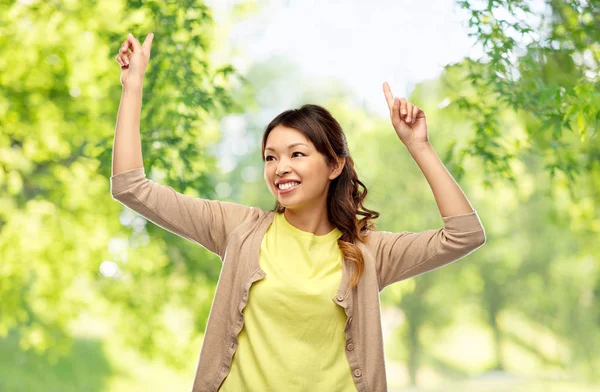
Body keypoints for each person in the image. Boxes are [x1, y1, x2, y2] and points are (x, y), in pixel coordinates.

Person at [112, 33, 486, 392]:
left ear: (334, 165)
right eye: (270, 157)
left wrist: (418, 145)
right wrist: (132, 88)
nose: (280, 167)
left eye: (297, 154)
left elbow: (464, 235)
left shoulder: (369, 252)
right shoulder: (238, 230)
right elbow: (131, 188)